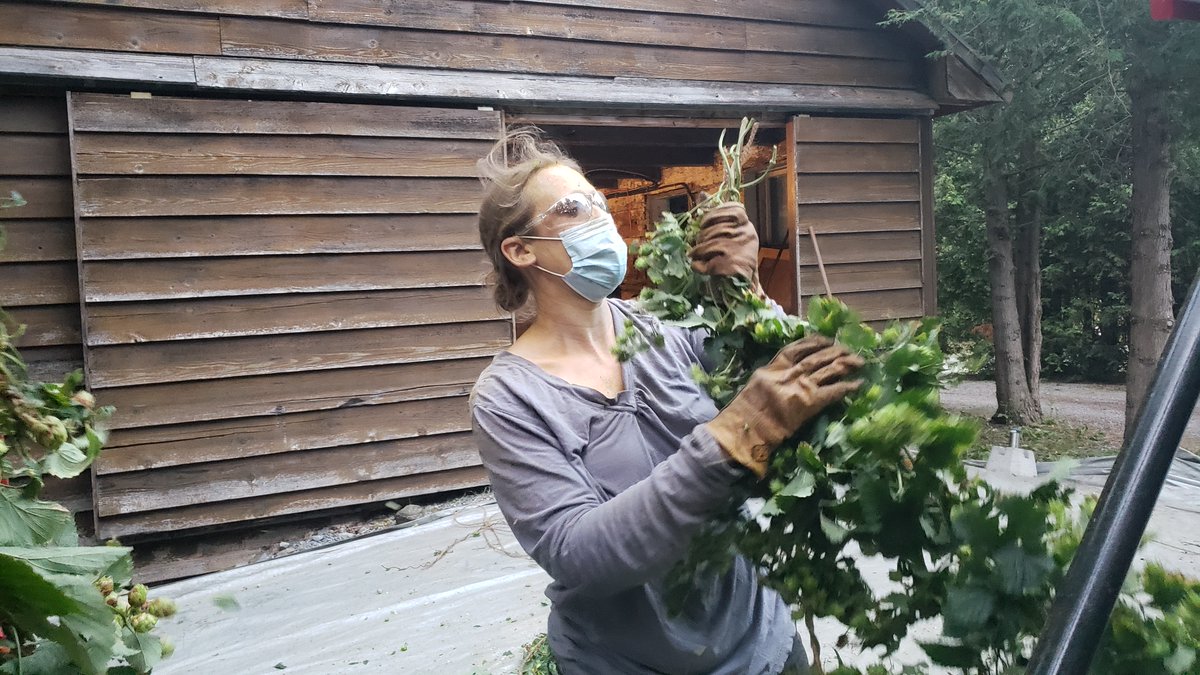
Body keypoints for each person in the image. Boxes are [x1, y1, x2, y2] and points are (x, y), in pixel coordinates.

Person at [469, 128, 864, 675]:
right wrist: (731, 437)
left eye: (599, 203)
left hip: (760, 642)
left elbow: (808, 376)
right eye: (572, 208)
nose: (600, 217)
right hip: (626, 662)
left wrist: (745, 291)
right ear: (520, 250)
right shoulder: (510, 397)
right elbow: (575, 552)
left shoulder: (665, 333)